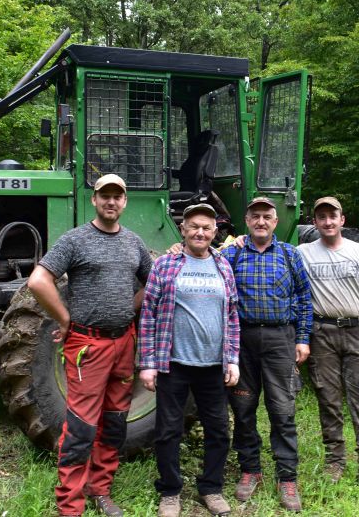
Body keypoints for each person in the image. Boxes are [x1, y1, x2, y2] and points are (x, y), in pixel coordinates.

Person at [27, 174, 153, 517]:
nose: (111, 202)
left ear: (125, 202)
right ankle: (70, 505)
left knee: (114, 421)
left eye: (117, 197)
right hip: (88, 346)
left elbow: (153, 280)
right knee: (81, 426)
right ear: (94, 201)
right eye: (105, 196)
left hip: (125, 343)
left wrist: (131, 306)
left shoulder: (134, 243)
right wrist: (65, 319)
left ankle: (101, 490)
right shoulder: (75, 240)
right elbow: (38, 281)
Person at [138, 203, 240, 517]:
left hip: (213, 366)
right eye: (194, 226)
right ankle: (170, 492)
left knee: (219, 430)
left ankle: (211, 488)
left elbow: (233, 314)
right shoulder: (166, 264)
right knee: (168, 430)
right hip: (174, 364)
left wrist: (233, 359)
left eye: (206, 228)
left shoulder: (223, 266)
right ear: (183, 229)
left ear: (214, 232)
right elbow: (148, 315)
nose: (200, 232)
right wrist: (148, 362)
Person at [221, 196, 313, 512]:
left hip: (280, 340)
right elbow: (202, 254)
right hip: (243, 340)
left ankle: (286, 477)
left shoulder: (289, 254)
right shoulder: (232, 254)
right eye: (255, 216)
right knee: (243, 409)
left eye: (267, 217)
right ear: (247, 221)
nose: (261, 221)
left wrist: (302, 339)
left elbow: (304, 297)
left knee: (282, 410)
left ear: (276, 222)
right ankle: (250, 471)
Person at [297, 196, 359, 497]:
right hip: (321, 331)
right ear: (314, 222)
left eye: (332, 216)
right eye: (321, 216)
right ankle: (335, 462)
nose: (327, 221)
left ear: (342, 220)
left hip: (357, 331)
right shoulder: (302, 253)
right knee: (328, 398)